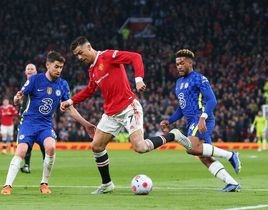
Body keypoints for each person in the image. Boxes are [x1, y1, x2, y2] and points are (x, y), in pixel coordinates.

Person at [60, 36, 191, 194]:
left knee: (140, 147)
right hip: (111, 114)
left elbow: (135, 57)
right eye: (76, 56)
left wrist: (138, 79)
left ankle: (173, 135)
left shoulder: (107, 56)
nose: (80, 58)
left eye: (80, 53)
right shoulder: (92, 70)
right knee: (96, 146)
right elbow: (89, 90)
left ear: (89, 46)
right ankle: (107, 184)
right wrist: (70, 101)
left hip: (129, 107)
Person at [0, 51, 96, 195]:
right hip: (29, 123)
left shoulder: (63, 84)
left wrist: (86, 124)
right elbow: (20, 95)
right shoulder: (34, 80)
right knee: (21, 151)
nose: (59, 70)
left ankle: (44, 183)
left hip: (45, 125)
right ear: (48, 65)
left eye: (61, 67)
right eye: (56, 66)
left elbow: (69, 107)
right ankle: (7, 185)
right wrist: (16, 99)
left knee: (51, 147)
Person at [160, 49, 241, 192]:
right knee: (203, 156)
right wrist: (169, 120)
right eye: (177, 64)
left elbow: (212, 100)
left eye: (181, 63)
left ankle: (231, 155)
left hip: (201, 118)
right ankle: (232, 183)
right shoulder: (178, 82)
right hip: (191, 121)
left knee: (192, 148)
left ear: (190, 63)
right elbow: (182, 107)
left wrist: (203, 118)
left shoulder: (199, 78)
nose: (178, 66)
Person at [18, 63, 46, 173]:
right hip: (26, 119)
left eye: (32, 69)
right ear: (25, 72)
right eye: (28, 69)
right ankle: (26, 165)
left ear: (36, 72)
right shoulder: (24, 85)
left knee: (44, 144)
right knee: (26, 144)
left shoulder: (41, 83)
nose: (29, 70)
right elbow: (22, 102)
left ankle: (46, 164)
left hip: (40, 119)